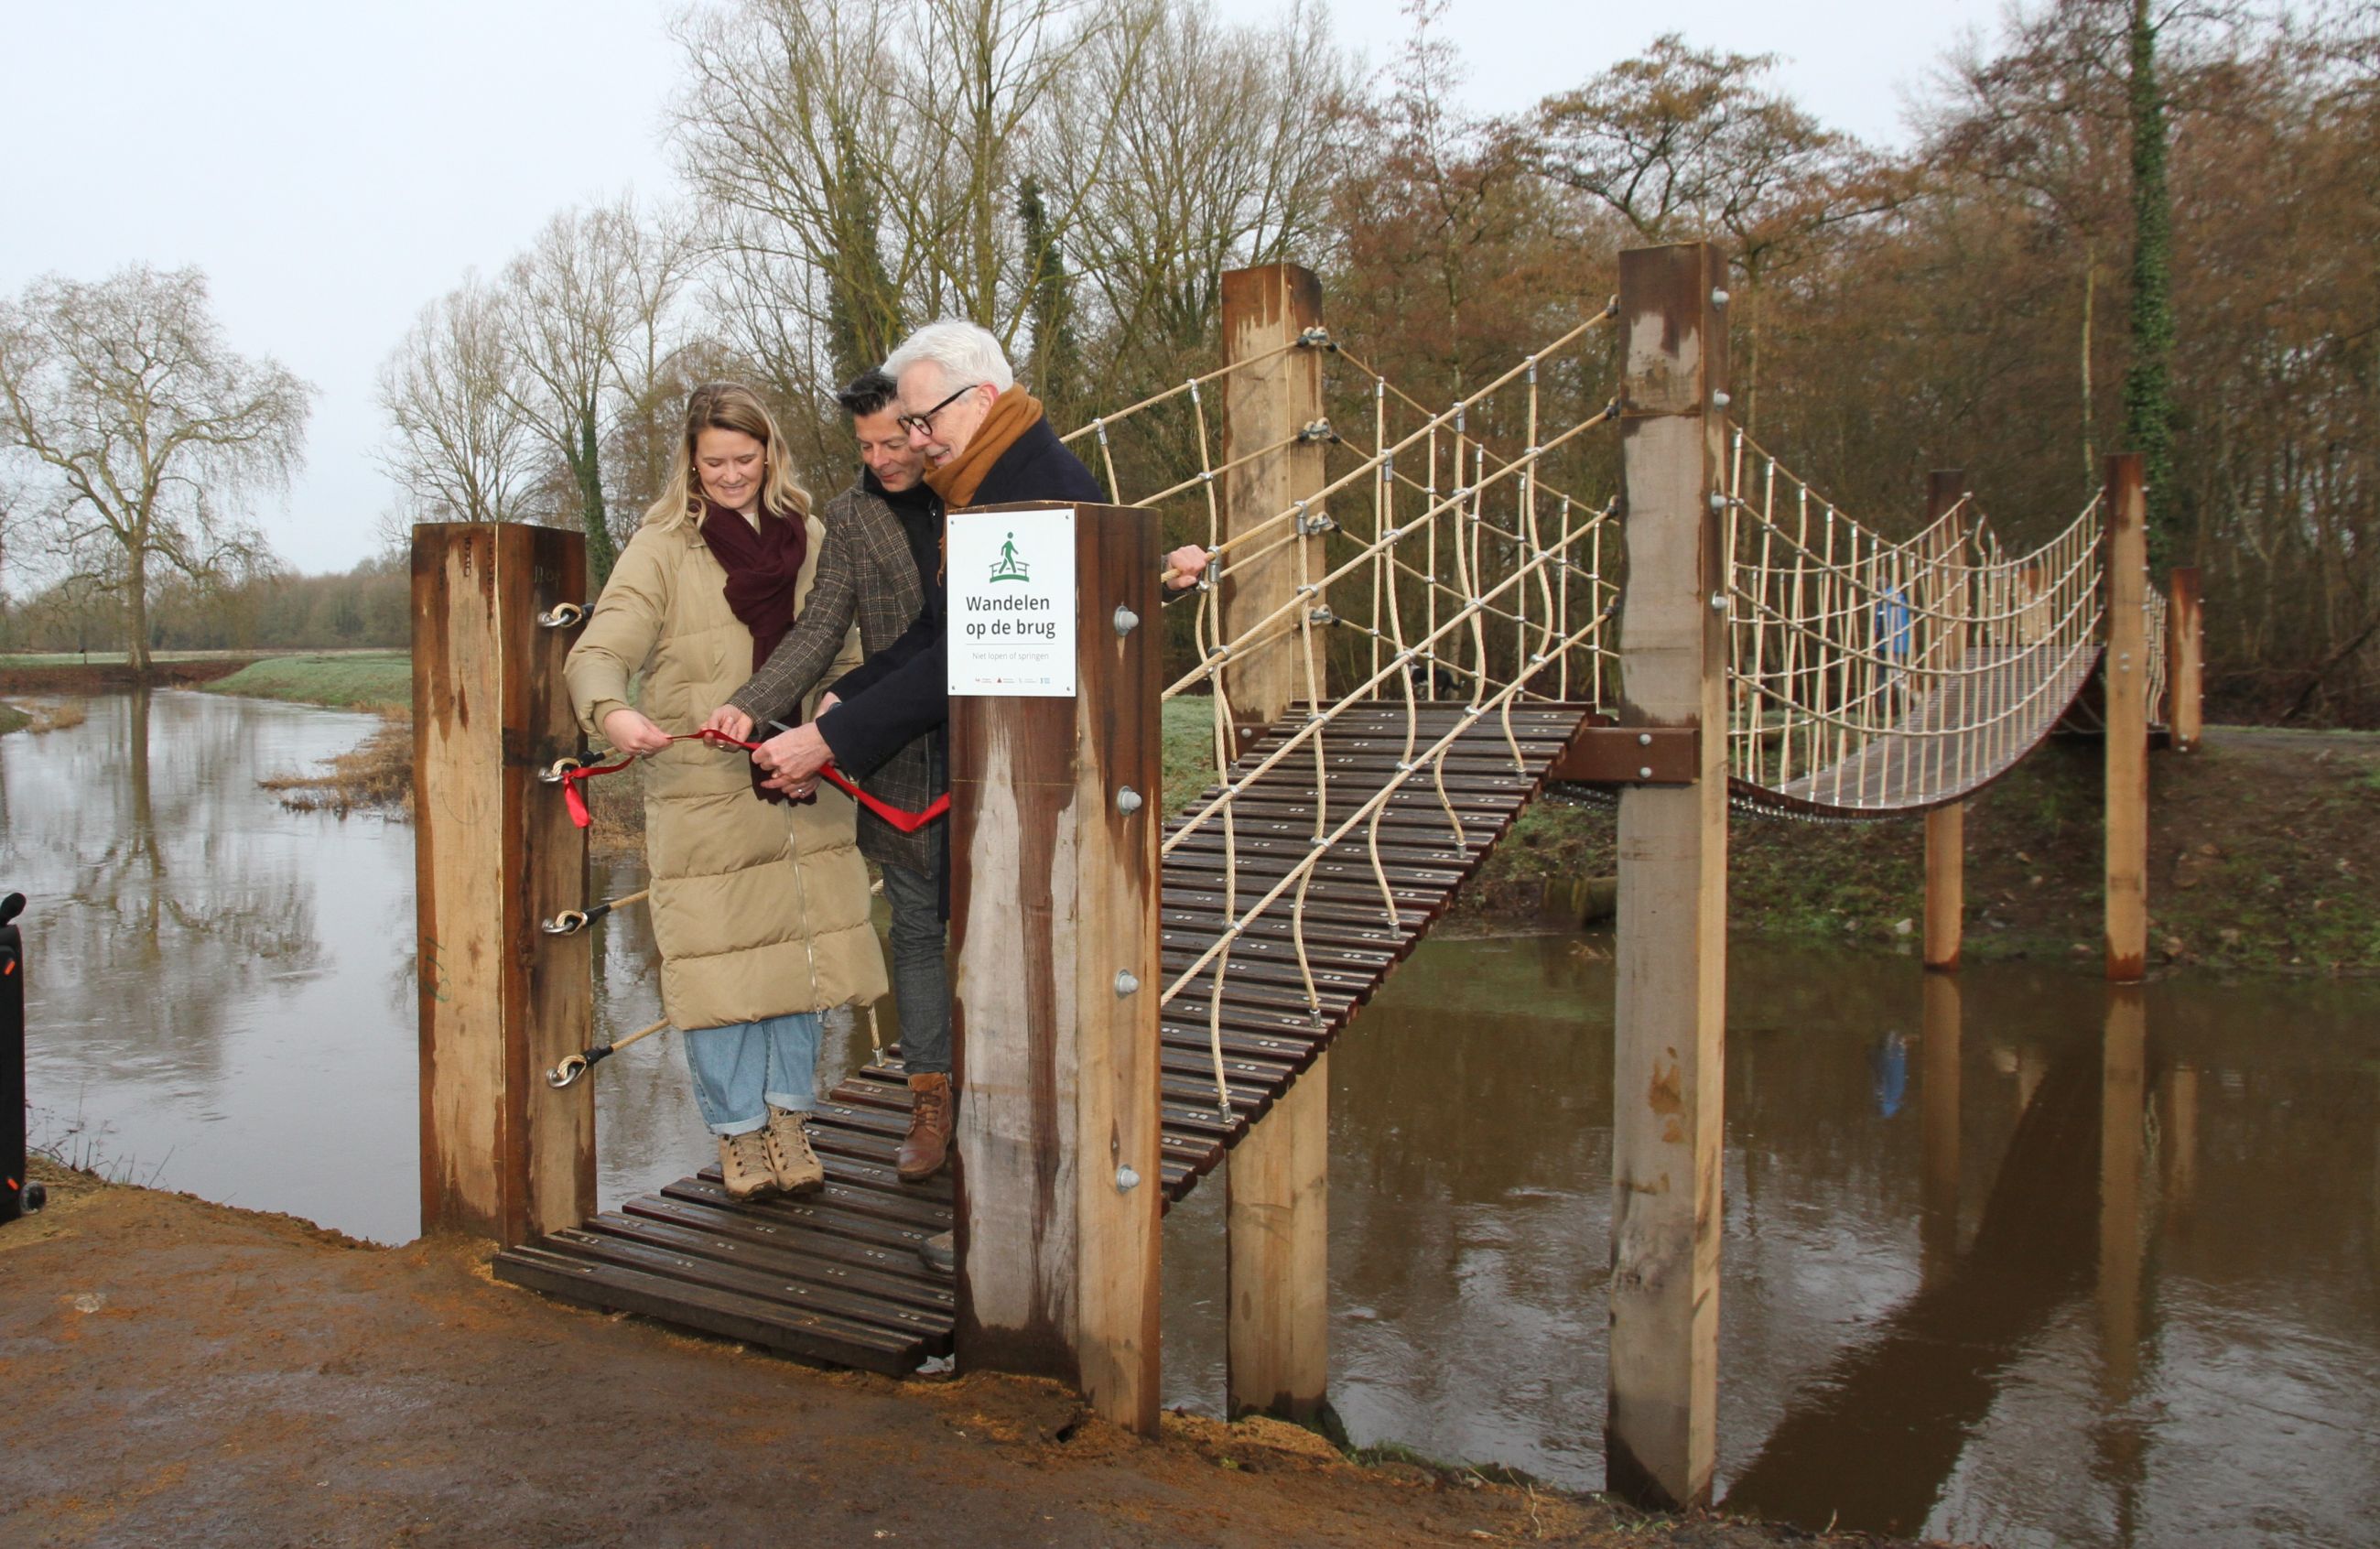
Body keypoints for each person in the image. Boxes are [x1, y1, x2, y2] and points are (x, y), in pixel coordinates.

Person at [727, 320, 1205, 1272]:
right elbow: (932, 640)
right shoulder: (990, 485)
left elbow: (962, 656)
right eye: (897, 426)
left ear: (976, 401)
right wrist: (838, 705)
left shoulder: (1027, 495)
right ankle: (996, 1183)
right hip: (1002, 783)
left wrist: (828, 738)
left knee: (1023, 983)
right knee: (948, 951)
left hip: (1034, 796)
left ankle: (1035, 1241)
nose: (911, 439)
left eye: (919, 419)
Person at [567, 382, 887, 1203]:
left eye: (746, 459)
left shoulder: (812, 534)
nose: (733, 475)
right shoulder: (663, 545)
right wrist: (613, 712)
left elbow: (846, 650)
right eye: (715, 462)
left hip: (807, 776)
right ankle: (738, 1136)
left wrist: (835, 720)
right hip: (703, 789)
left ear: (770, 454)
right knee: (715, 971)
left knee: (803, 961)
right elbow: (603, 645)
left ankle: (790, 1119)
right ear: (691, 461)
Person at [704, 370, 954, 1190]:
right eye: (865, 446)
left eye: (894, 440)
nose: (882, 458)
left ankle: (1016, 1086)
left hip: (1010, 747)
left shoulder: (983, 495)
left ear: (925, 427)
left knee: (1009, 922)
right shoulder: (846, 520)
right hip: (899, 755)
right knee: (915, 928)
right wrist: (754, 706)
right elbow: (820, 628)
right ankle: (931, 1102)